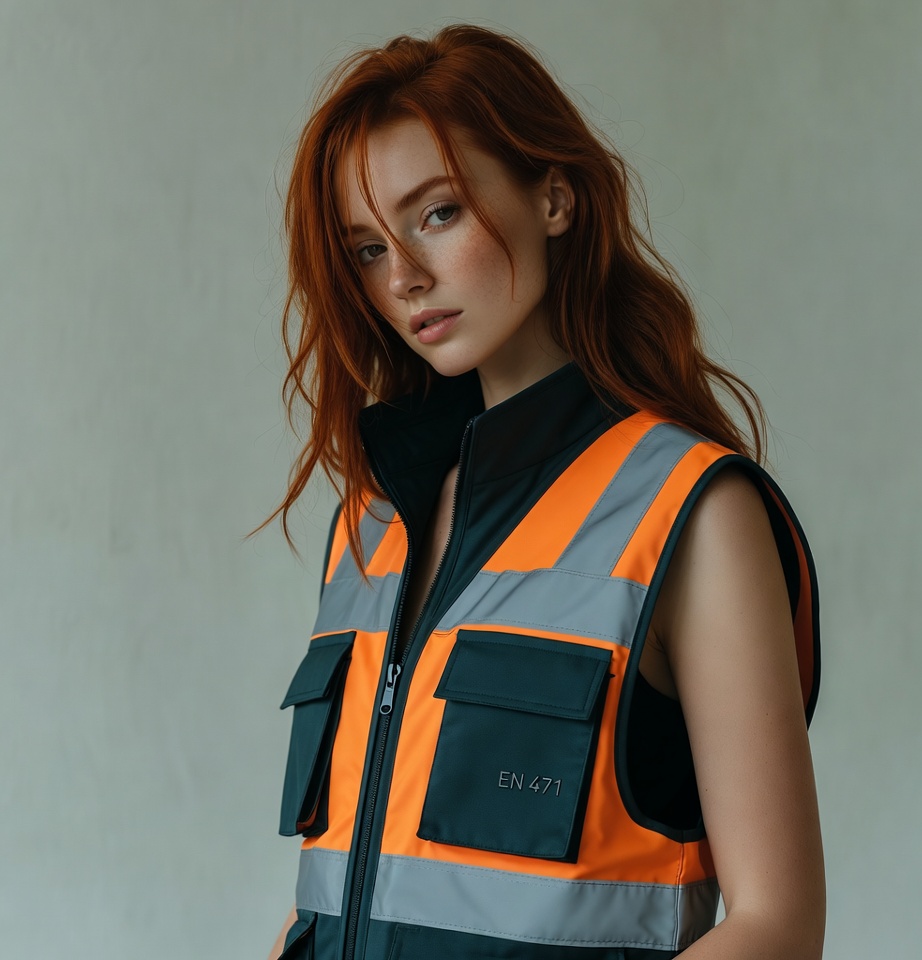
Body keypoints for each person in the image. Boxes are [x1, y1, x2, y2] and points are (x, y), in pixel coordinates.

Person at [265, 24, 824, 960]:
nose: (402, 278)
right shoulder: (370, 524)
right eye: (367, 249)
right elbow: (336, 894)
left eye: (436, 213)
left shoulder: (689, 512)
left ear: (554, 197)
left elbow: (779, 926)